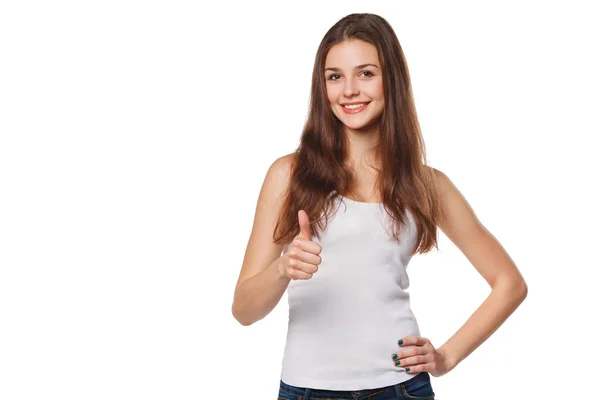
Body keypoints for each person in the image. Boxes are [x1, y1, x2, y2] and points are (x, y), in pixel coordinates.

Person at [231, 12, 528, 399]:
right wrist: (283, 268)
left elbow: (510, 284)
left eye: (366, 73)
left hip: (401, 387)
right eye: (334, 76)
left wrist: (445, 357)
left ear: (392, 80)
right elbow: (244, 311)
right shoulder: (288, 174)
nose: (349, 90)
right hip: (307, 390)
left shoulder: (425, 184)